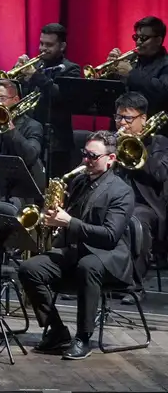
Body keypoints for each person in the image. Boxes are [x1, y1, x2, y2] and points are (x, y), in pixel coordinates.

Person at [17, 131, 134, 360]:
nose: (86, 160)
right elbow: (67, 218)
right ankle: (57, 331)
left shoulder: (121, 191)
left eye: (93, 156)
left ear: (111, 159)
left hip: (108, 256)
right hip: (76, 251)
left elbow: (110, 236)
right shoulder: (80, 182)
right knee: (29, 269)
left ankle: (83, 338)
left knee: (88, 266)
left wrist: (69, 222)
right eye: (85, 154)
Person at [11, 23, 82, 175]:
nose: (43, 48)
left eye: (49, 45)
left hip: (56, 142)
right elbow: (19, 96)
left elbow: (62, 97)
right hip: (31, 136)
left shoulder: (71, 69)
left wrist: (35, 76)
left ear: (62, 46)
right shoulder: (36, 65)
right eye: (41, 43)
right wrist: (17, 76)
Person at [111, 93, 168, 265]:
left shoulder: (160, 143)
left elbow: (161, 174)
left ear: (143, 119)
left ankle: (133, 278)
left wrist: (136, 151)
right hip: (111, 198)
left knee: (134, 221)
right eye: (118, 117)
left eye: (128, 118)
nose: (122, 123)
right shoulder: (110, 140)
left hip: (144, 205)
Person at [0, 79, 45, 216]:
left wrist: (10, 130)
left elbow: (30, 156)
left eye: (1, 98)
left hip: (17, 190)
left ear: (16, 100)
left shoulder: (32, 126)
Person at [107, 16, 168, 116]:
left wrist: (131, 73)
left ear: (158, 40)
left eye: (143, 38)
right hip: (121, 119)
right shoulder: (130, 59)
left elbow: (162, 93)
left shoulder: (165, 64)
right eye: (136, 37)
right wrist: (111, 71)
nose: (138, 42)